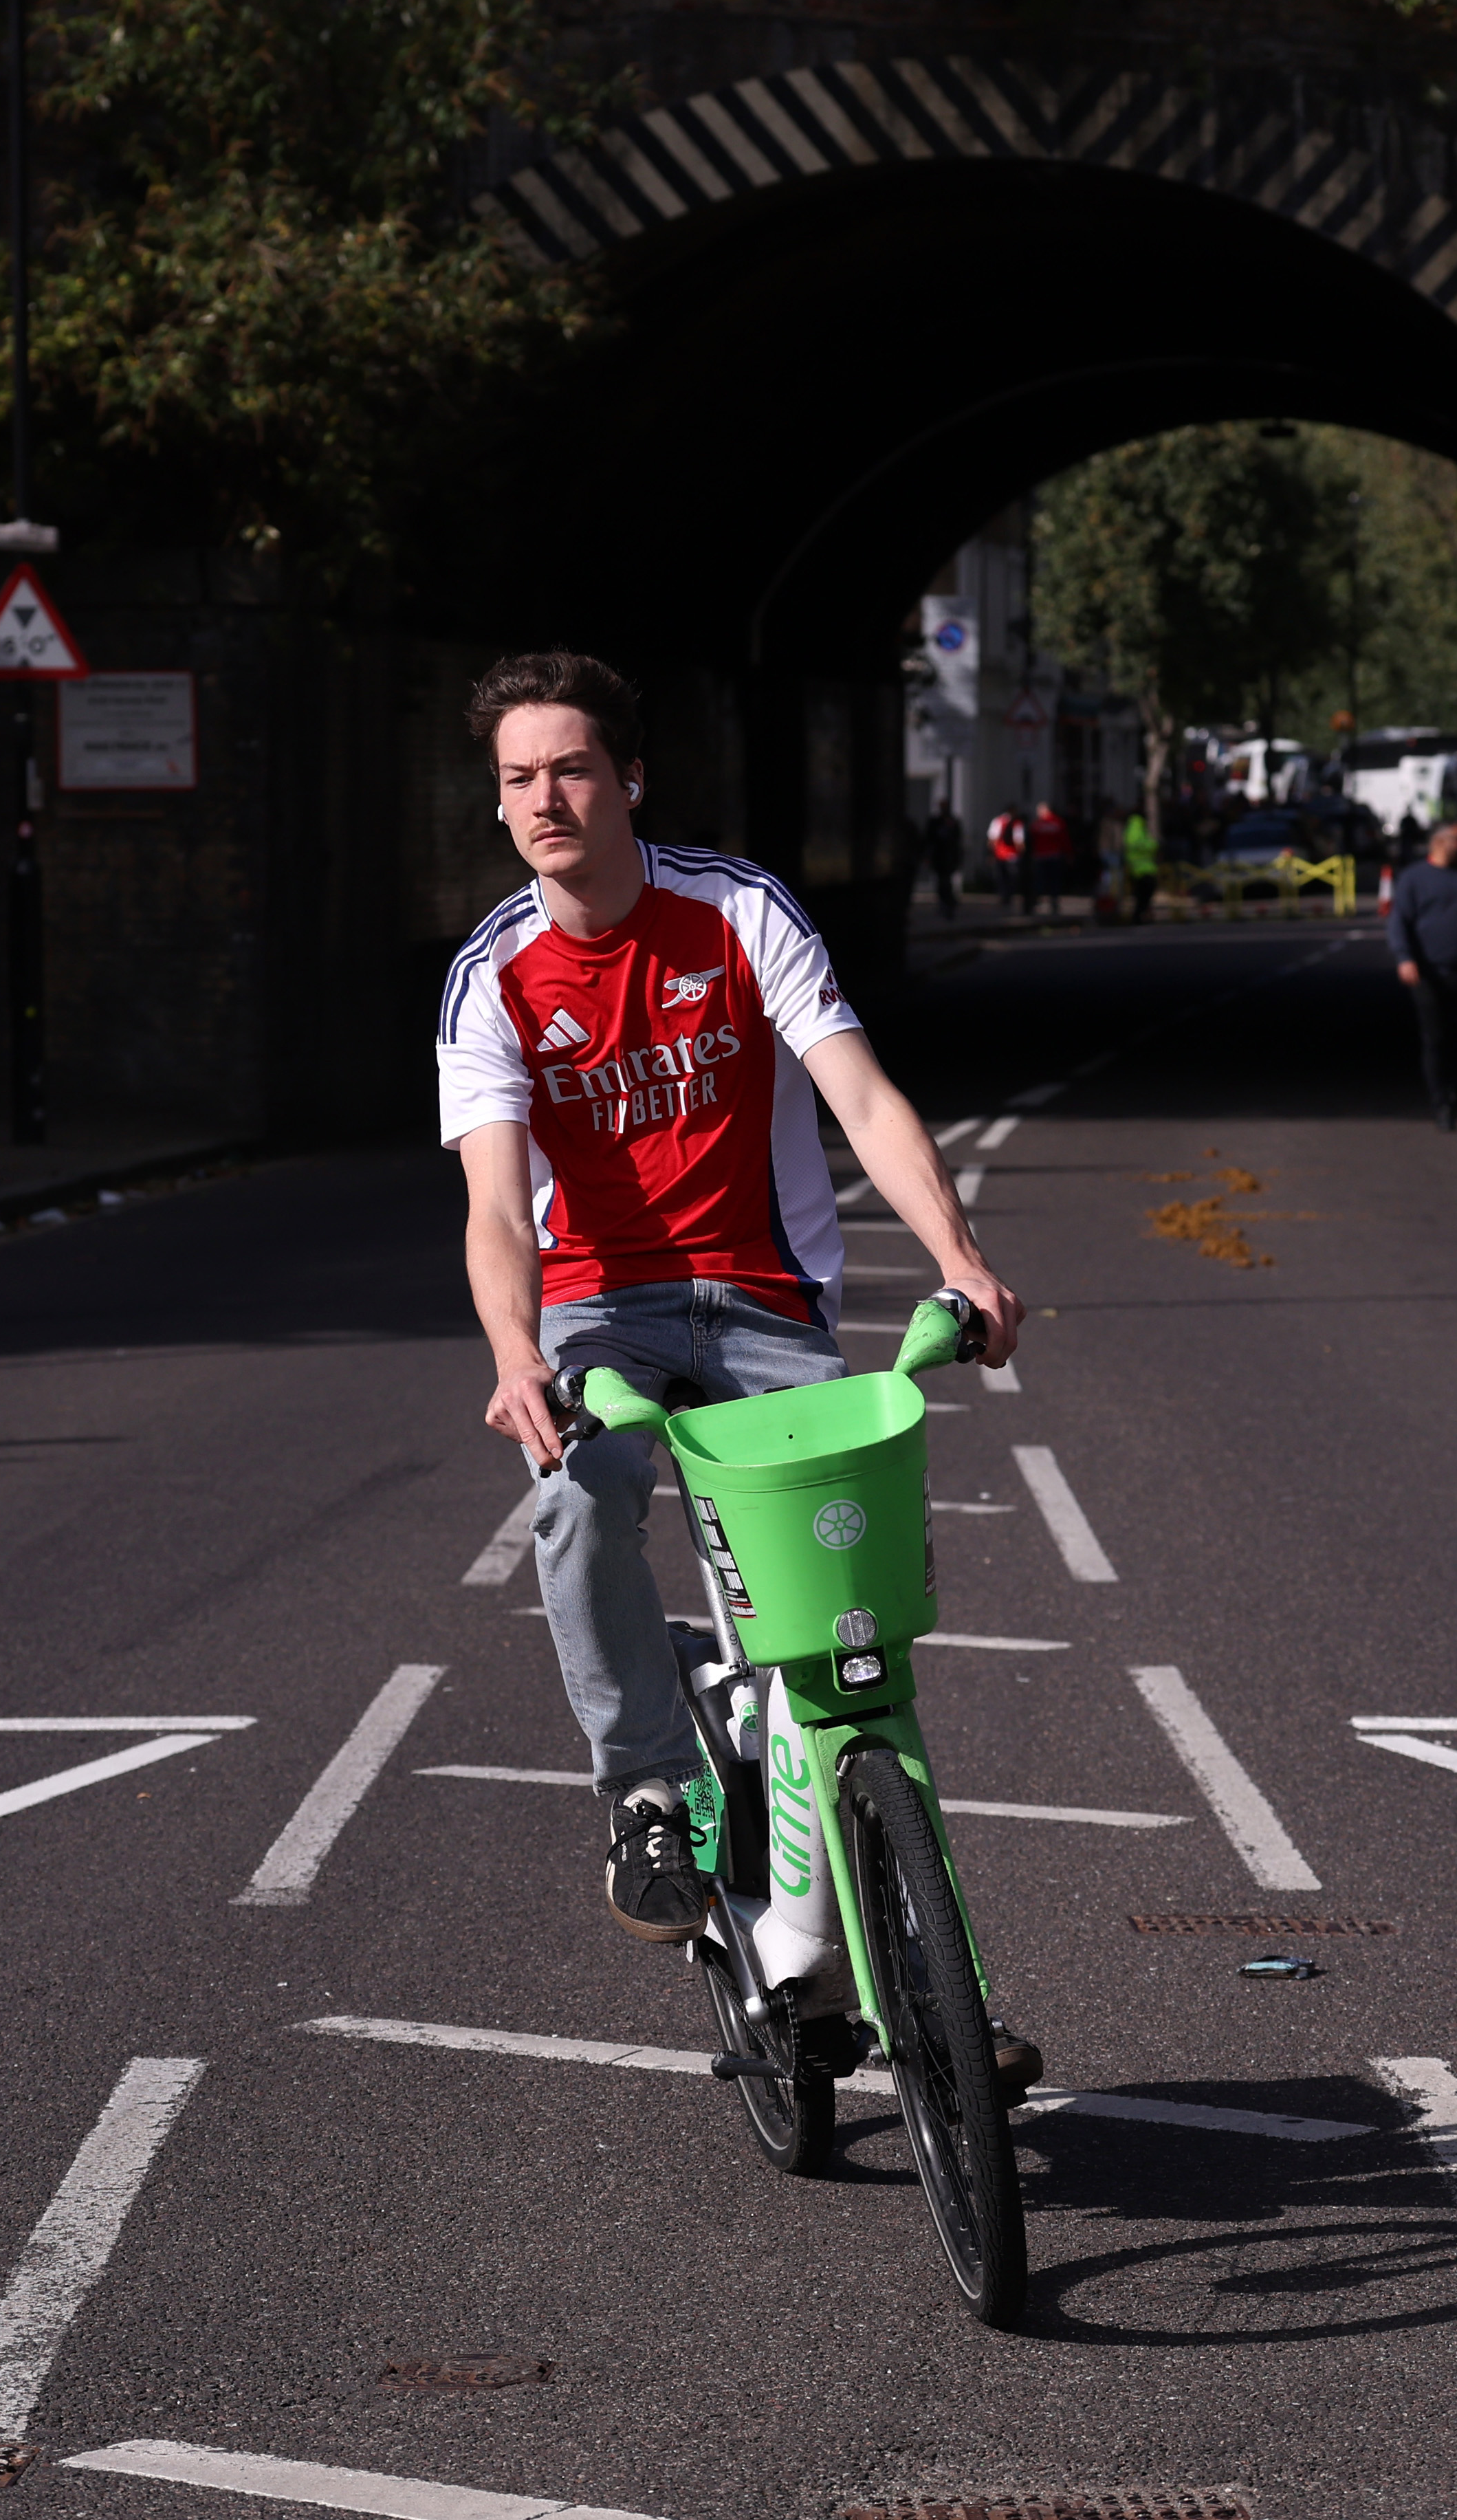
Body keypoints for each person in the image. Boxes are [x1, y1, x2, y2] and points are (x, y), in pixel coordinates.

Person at [436, 650, 1028, 1955]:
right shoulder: (493, 976)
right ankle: (646, 1785)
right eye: (519, 779)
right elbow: (492, 1204)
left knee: (841, 1596)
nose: (547, 799)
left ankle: (911, 1949)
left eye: (573, 769)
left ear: (629, 779)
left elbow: (859, 1096)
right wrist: (515, 1352)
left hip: (764, 1299)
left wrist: (960, 1258)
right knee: (578, 1502)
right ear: (498, 802)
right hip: (601, 1315)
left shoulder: (734, 912)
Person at [1388, 818, 1457, 1130]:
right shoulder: (1414, 878)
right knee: (1437, 1040)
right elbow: (1399, 921)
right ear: (1439, 842)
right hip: (1429, 973)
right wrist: (1405, 958)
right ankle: (1443, 1104)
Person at [921, 798, 964, 919]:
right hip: (939, 857)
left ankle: (948, 903)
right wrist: (927, 856)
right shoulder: (935, 822)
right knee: (942, 882)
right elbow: (929, 840)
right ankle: (946, 903)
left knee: (946, 881)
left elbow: (957, 841)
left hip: (949, 857)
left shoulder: (953, 822)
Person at [988, 807, 1029, 913]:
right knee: (1012, 878)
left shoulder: (998, 821)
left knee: (1002, 877)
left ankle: (1004, 896)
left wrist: (992, 854)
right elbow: (1019, 842)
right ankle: (1008, 896)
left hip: (1000, 854)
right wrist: (1023, 854)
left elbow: (992, 839)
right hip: (1012, 855)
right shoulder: (1017, 823)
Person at [1123, 805, 1159, 923]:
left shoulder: (1138, 825)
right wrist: (1152, 846)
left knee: (1143, 894)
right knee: (1145, 892)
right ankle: (1138, 916)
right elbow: (1135, 843)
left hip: (1142, 867)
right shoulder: (1136, 825)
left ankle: (1140, 915)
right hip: (1141, 867)